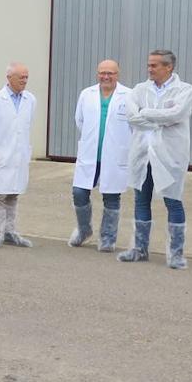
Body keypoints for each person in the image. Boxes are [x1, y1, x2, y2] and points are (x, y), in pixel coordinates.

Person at [118, 50, 192, 269]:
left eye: (154, 65)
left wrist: (146, 112)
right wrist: (160, 116)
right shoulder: (139, 90)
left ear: (168, 67)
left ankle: (176, 254)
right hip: (143, 154)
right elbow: (133, 118)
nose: (149, 69)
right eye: (149, 65)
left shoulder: (185, 90)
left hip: (170, 156)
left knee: (173, 201)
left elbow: (177, 115)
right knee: (141, 201)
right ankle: (139, 249)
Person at [68, 60, 130, 252]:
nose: (106, 76)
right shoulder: (87, 94)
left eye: (110, 73)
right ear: (98, 74)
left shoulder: (129, 95)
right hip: (90, 155)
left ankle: (107, 238)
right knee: (79, 193)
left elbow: (135, 126)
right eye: (102, 72)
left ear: (117, 74)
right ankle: (84, 230)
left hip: (114, 156)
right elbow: (80, 120)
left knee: (111, 197)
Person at [0, 62, 36, 249]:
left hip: (18, 156)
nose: (24, 80)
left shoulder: (30, 100)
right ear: (9, 78)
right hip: (1, 155)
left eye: (26, 77)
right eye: (21, 77)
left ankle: (10, 231)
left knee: (13, 194)